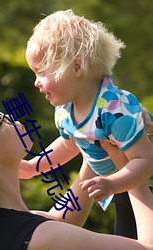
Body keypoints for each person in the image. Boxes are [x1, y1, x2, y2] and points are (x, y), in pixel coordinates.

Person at [0, 98, 153, 250]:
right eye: (1, 120)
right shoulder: (41, 238)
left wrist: (93, 138)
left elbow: (60, 220)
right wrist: (129, 165)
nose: (11, 117)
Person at [23, 9, 153, 239]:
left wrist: (112, 184)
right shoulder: (65, 110)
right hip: (123, 189)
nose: (36, 82)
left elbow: (145, 160)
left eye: (41, 72)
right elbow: (69, 145)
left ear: (76, 67)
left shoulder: (113, 109)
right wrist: (34, 166)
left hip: (142, 186)